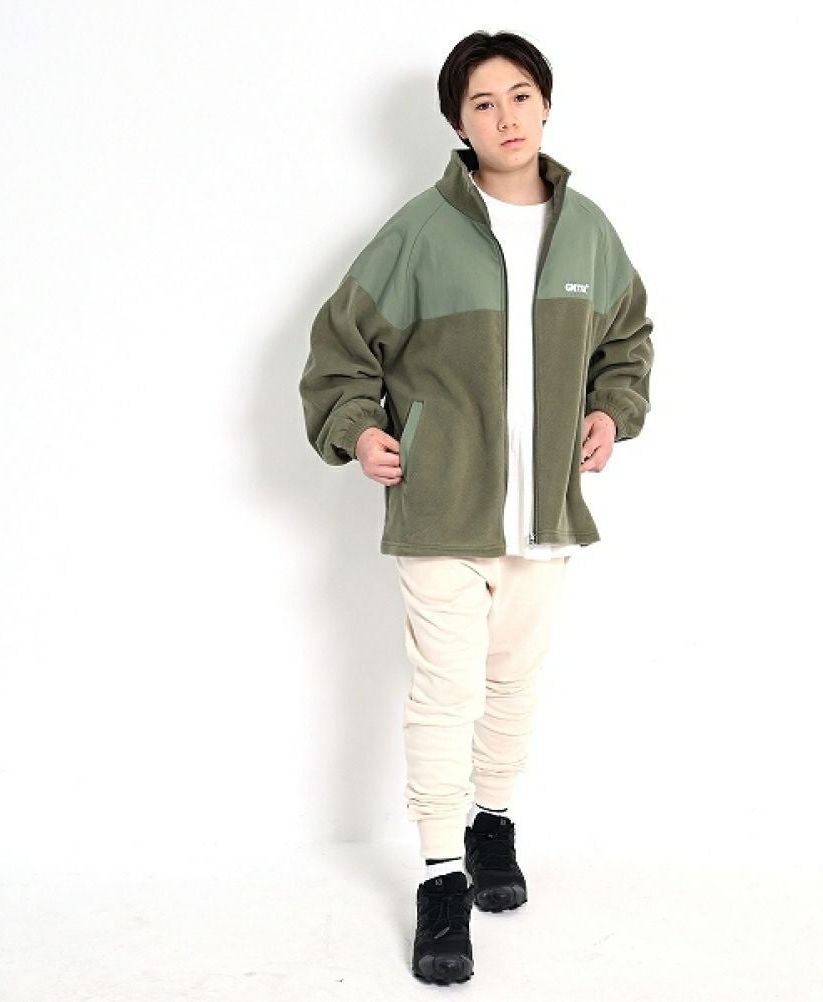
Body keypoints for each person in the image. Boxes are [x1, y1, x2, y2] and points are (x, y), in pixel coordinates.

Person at [299, 30, 653, 985]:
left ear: (546, 104)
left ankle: (492, 823)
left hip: (544, 514)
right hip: (440, 506)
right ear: (458, 122)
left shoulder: (588, 233)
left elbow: (629, 341)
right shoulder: (419, 232)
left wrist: (611, 411)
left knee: (513, 684)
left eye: (520, 95)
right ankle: (439, 875)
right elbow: (339, 350)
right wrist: (358, 431)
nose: (506, 117)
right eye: (483, 103)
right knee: (444, 692)